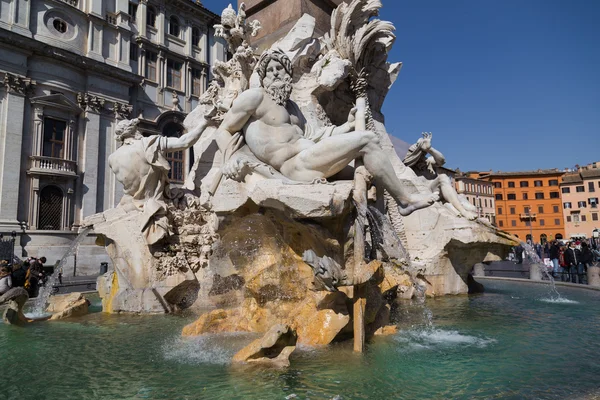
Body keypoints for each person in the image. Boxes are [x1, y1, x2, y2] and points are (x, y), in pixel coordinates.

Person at [213, 49, 438, 216]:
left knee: (373, 174)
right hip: (293, 166)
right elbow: (224, 129)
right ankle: (405, 201)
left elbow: (315, 136)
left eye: (279, 69)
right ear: (262, 77)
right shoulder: (255, 97)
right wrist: (230, 158)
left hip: (311, 159)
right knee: (368, 140)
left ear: (287, 74)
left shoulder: (292, 108)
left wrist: (347, 126)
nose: (275, 74)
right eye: (269, 71)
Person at [108, 117, 211, 244]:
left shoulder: (112, 158)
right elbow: (185, 142)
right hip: (154, 202)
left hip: (129, 204)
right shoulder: (149, 144)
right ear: (134, 130)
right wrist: (205, 122)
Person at [403, 133, 478, 220]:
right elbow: (408, 162)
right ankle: (463, 212)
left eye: (423, 154)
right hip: (428, 193)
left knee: (472, 208)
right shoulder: (409, 167)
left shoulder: (428, 162)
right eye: (420, 154)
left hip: (441, 190)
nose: (422, 157)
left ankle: (460, 208)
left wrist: (430, 149)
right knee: (442, 177)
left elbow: (442, 161)